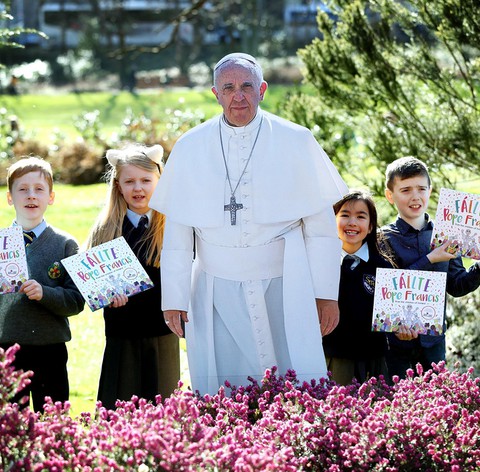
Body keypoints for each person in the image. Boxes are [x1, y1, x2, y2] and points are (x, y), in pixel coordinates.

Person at [148, 52, 348, 395]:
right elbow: (178, 236)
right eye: (228, 88)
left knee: (293, 380)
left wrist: (326, 295)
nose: (237, 96)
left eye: (246, 86)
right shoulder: (190, 146)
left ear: (263, 90)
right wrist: (174, 297)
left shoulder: (296, 140)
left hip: (286, 283)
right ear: (215, 93)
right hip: (214, 286)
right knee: (225, 384)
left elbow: (320, 229)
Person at [85, 143, 180, 409]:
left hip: (162, 332)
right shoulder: (105, 230)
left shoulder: (175, 226)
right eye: (129, 181)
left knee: (162, 407)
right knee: (118, 407)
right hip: (121, 334)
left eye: (145, 180)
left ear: (160, 181)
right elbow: (92, 284)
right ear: (118, 186)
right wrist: (106, 296)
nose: (138, 188)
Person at [382, 156, 480, 379]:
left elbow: (456, 285)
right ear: (390, 195)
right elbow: (387, 291)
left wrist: (478, 267)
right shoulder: (383, 238)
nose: (415, 196)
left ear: (430, 190)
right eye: (405, 190)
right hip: (396, 348)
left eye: (421, 189)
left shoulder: (446, 233)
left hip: (434, 345)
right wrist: (430, 259)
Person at [0, 156, 84, 412]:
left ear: (51, 197)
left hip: (50, 349)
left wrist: (45, 293)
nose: (31, 196)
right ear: (10, 198)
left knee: (53, 420)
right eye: (22, 190)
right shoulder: (0, 243)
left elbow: (76, 301)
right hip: (7, 351)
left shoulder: (65, 244)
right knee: (13, 426)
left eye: (39, 189)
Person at [323, 190, 396, 385]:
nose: (352, 222)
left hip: (374, 360)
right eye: (345, 215)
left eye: (361, 217)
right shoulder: (320, 264)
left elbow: (393, 318)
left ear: (371, 226)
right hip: (334, 357)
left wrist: (403, 329)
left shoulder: (383, 267)